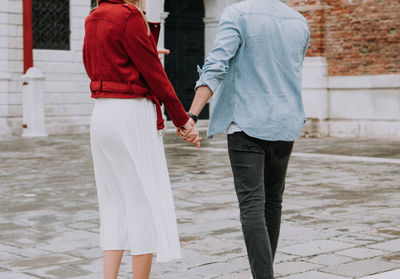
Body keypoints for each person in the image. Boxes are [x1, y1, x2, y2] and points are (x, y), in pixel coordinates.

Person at [178, 0, 310, 278]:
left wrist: (192, 114)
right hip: (285, 123)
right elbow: (291, 69)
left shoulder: (237, 14)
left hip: (246, 123)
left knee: (252, 205)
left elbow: (216, 66)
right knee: (272, 202)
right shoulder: (298, 21)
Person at [83, 0, 201, 278]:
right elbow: (156, 75)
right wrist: (183, 120)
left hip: (101, 113)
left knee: (113, 203)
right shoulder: (130, 15)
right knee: (142, 202)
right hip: (131, 113)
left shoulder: (93, 16)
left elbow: (95, 63)